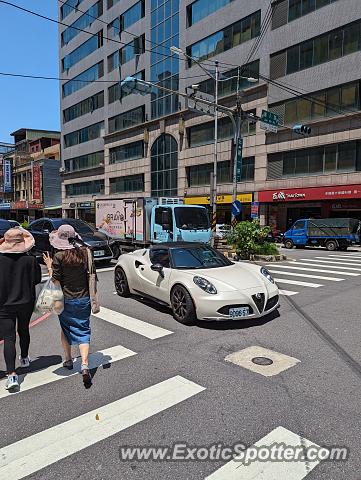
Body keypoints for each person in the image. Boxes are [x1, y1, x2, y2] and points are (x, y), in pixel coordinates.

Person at [43, 224, 95, 386]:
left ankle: (68, 359)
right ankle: (85, 365)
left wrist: (50, 267)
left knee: (65, 329)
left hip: (65, 300)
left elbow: (55, 281)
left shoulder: (59, 256)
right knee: (83, 330)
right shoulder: (84, 253)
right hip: (84, 298)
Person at [0, 228, 41, 390]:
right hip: (26, 301)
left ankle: (11, 375)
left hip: (4, 304)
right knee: (24, 329)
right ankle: (24, 358)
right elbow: (37, 280)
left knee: (9, 338)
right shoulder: (30, 260)